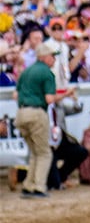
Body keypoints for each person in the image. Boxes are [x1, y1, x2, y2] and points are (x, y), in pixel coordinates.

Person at [13, 40, 60, 197]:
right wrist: (67, 94)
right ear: (45, 57)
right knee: (44, 152)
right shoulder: (47, 73)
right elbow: (49, 99)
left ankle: (28, 184)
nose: (54, 59)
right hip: (36, 113)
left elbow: (15, 95)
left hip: (21, 113)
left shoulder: (25, 72)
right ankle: (39, 186)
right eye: (52, 56)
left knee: (34, 152)